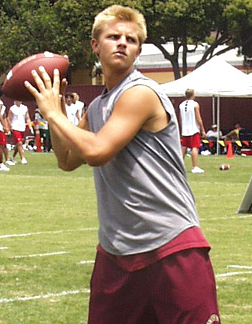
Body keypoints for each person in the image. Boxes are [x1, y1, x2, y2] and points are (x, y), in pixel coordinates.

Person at [24, 5, 220, 324]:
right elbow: (67, 160)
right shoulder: (98, 104)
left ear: (139, 50)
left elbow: (98, 151)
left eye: (131, 39)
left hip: (170, 246)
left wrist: (54, 115)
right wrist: (56, 111)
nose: (122, 43)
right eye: (113, 36)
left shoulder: (140, 93)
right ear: (95, 45)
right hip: (116, 254)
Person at [179, 88, 205, 173]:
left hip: (184, 129)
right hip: (193, 129)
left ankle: (179, 165)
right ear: (193, 95)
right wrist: (202, 129)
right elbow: (198, 118)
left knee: (184, 147)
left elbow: (180, 118)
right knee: (195, 147)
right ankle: (195, 167)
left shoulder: (181, 105)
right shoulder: (195, 104)